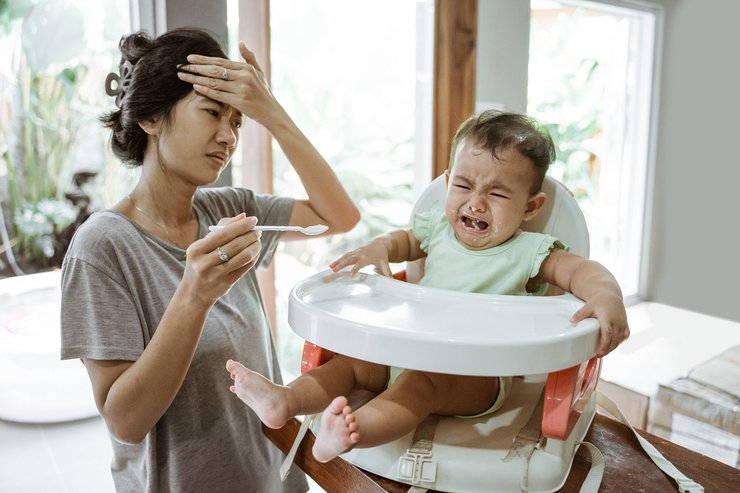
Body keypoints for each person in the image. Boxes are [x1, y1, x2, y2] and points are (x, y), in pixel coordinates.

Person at [226, 110, 630, 464]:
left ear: (530, 207)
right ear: (447, 181)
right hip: (409, 346)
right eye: (464, 185)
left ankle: (351, 434)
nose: (475, 203)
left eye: (498, 192)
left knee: (421, 386)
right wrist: (379, 247)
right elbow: (402, 241)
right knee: (352, 365)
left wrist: (606, 294)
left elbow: (582, 272)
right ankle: (286, 401)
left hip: (477, 374)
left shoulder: (529, 251)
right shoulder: (437, 226)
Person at [60, 28, 360, 493]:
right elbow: (124, 421)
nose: (229, 136)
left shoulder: (225, 210)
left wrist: (274, 115)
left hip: (270, 479)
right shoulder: (102, 247)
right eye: (212, 112)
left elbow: (339, 215)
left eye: (238, 121)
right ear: (151, 119)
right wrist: (194, 295)